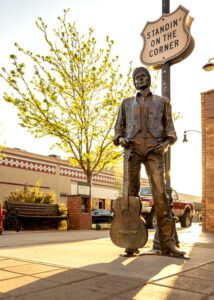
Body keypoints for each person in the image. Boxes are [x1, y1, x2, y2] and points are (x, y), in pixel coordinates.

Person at [113, 66, 186, 257]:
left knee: (160, 195)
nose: (140, 79)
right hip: (132, 149)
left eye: (143, 75)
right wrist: (120, 139)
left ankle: (168, 243)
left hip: (155, 149)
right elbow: (118, 130)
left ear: (149, 79)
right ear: (133, 81)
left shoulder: (163, 102)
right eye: (136, 77)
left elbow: (171, 131)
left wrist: (165, 145)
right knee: (130, 197)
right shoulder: (126, 103)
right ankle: (131, 242)